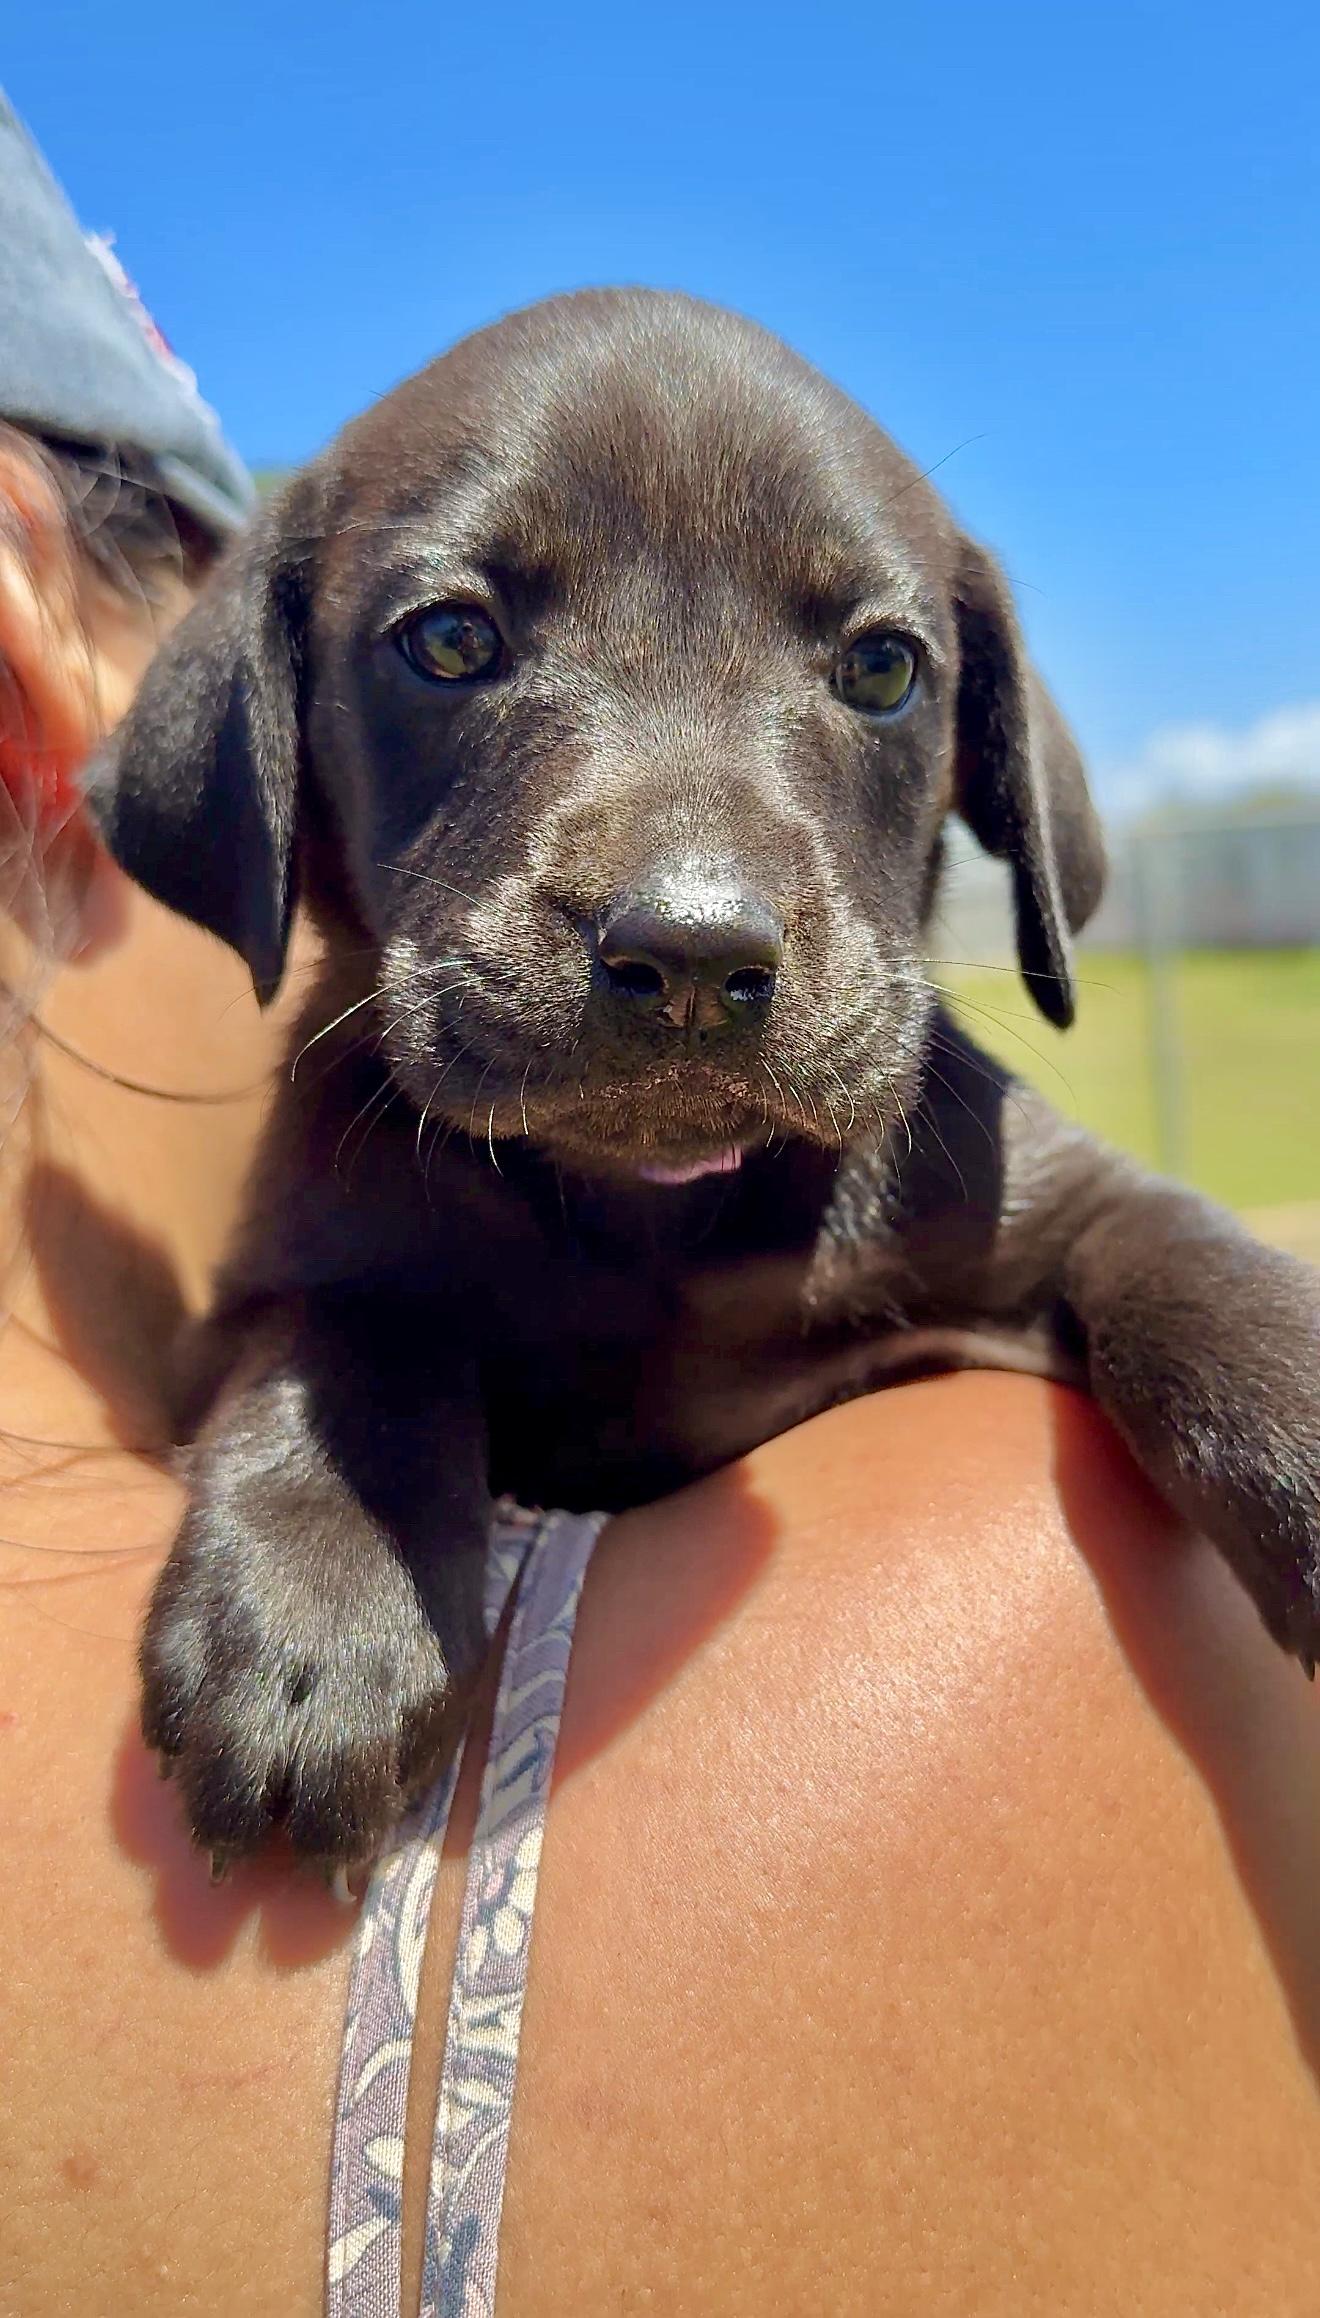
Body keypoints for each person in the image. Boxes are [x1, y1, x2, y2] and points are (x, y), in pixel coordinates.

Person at [1, 92, 1318, 2318]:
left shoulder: (944, 1163)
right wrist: (338, 1409)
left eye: (868, 670)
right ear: (274, 744)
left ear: (975, 767)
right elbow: (305, 1306)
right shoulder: (358, 1185)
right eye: (453, 643)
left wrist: (1244, 1389)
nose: (696, 893)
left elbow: (1103, 1244)